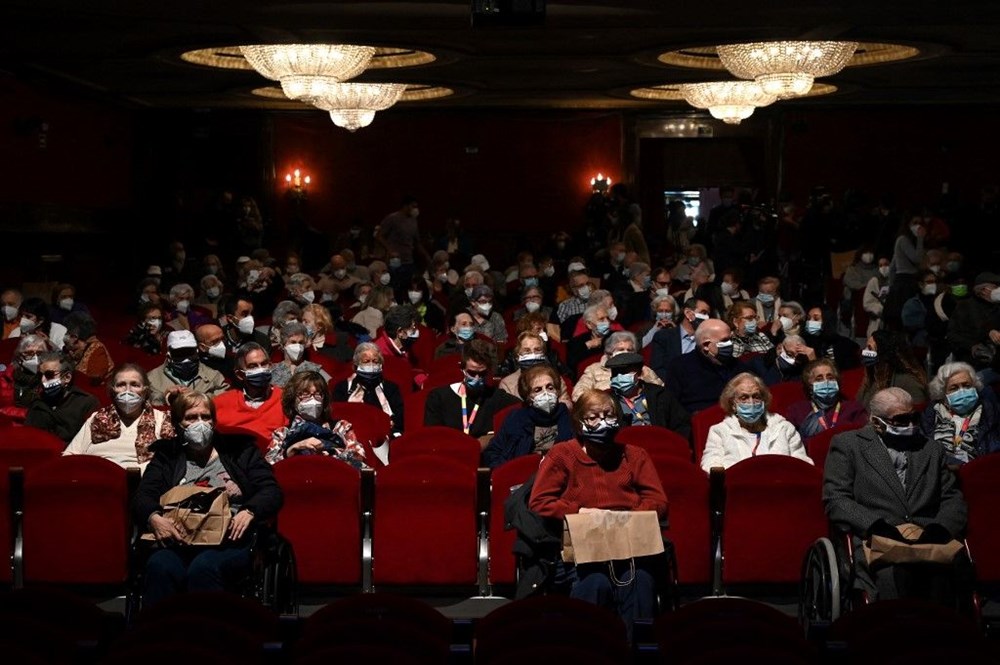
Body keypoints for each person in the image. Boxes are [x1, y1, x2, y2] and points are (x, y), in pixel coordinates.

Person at [528, 389, 667, 637]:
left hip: (630, 547)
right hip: (583, 550)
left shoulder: (634, 455)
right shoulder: (562, 454)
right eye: (593, 417)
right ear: (580, 422)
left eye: (609, 416)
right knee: (595, 584)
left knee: (640, 583)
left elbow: (657, 500)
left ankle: (635, 652)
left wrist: (628, 516)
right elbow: (540, 501)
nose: (602, 423)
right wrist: (580, 511)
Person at [135, 390, 283, 608]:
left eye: (206, 417)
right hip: (179, 540)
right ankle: (159, 634)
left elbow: (271, 491)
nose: (200, 423)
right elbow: (142, 496)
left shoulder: (240, 450)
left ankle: (209, 634)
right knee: (160, 567)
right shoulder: (167, 456)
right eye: (191, 418)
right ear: (178, 423)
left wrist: (249, 511)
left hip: (229, 541)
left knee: (203, 568)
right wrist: (154, 518)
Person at [823, 387, 969, 606]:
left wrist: (942, 527)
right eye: (901, 420)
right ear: (876, 422)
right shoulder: (848, 445)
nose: (911, 425)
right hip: (878, 538)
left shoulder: (931, 449)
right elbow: (836, 499)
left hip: (928, 537)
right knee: (896, 578)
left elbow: (952, 498)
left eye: (914, 417)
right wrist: (875, 525)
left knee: (945, 578)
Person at [64, 363, 175, 471]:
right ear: (113, 390)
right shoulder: (97, 418)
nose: (128, 391)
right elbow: (70, 456)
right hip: (96, 479)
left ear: (145, 391)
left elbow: (171, 462)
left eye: (135, 385)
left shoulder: (161, 420)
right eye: (121, 385)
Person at [700, 372, 811, 472]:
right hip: (739, 490)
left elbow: (803, 463)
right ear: (733, 404)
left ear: (764, 400)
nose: (751, 402)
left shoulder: (784, 428)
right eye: (744, 397)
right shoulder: (720, 431)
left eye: (756, 396)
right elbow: (710, 464)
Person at [265, 370, 367, 468]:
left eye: (318, 394)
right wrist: (293, 449)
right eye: (304, 394)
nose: (312, 399)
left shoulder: (341, 427)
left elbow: (358, 455)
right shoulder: (282, 433)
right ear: (292, 399)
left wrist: (330, 452)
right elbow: (269, 464)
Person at [424, 339, 519, 443]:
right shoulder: (439, 397)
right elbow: (432, 436)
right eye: (472, 373)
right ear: (462, 369)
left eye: (482, 374)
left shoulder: (498, 398)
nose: (477, 379)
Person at [482, 365, 575, 469]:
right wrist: (506, 472)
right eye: (537, 390)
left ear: (557, 392)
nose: (545, 393)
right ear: (528, 397)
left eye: (550, 388)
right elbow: (492, 452)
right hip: (522, 475)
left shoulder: (571, 419)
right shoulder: (516, 419)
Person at [663, 319, 755, 414]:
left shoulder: (739, 366)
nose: (730, 344)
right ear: (706, 345)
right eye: (725, 340)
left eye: (731, 339)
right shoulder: (680, 366)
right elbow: (673, 407)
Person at [922, 361, 1000, 467]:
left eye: (967, 386)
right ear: (942, 394)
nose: (962, 391)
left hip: (977, 472)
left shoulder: (990, 413)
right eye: (954, 388)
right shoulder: (930, 416)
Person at [214, 342, 286, 443]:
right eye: (253, 366)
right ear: (240, 374)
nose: (261, 369)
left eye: (264, 364)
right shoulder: (221, 402)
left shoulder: (285, 399)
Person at [606, 352, 690, 438]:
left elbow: (681, 425)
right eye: (615, 374)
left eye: (624, 373)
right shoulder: (606, 400)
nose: (619, 377)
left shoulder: (660, 395)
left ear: (639, 374)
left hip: (658, 445)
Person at [332, 342, 405, 437]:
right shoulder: (343, 387)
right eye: (366, 361)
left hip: (386, 435)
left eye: (375, 361)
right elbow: (337, 416)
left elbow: (398, 419)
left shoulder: (391, 388)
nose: (371, 366)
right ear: (356, 365)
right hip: (353, 435)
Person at [24, 352, 100, 442]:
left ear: (67, 377)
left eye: (49, 375)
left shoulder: (86, 403)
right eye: (40, 375)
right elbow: (29, 437)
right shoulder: (38, 402)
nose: (43, 380)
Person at [786, 359, 869, 440]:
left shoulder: (853, 408)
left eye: (830, 377)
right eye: (819, 379)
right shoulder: (796, 410)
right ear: (809, 385)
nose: (826, 381)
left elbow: (863, 438)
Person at [148, 330, 230, 407]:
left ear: (197, 352)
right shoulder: (152, 378)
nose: (186, 359)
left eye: (189, 353)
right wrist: (165, 397)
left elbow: (226, 402)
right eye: (179, 354)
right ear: (169, 356)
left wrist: (198, 397)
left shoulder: (213, 376)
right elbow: (147, 404)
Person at [573, 331, 662, 400]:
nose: (625, 353)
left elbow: (660, 391)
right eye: (621, 349)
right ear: (610, 351)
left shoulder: (643, 369)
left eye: (630, 350)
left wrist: (644, 379)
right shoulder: (594, 369)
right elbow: (578, 393)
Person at [946, 271, 1000, 382]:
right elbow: (952, 334)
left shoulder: (998, 307)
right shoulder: (965, 307)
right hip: (972, 359)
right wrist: (972, 346)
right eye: (996, 286)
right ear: (984, 290)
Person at [497, 331, 573, 408]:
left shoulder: (556, 378)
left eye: (537, 350)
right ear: (517, 356)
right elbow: (506, 413)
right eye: (527, 351)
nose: (532, 354)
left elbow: (567, 406)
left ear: (543, 354)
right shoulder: (507, 384)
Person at [856, 330, 929, 408]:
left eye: (870, 348)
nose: (864, 352)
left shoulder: (909, 383)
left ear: (884, 354)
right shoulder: (872, 377)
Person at [650, 298, 710, 382]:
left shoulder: (707, 340)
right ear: (688, 313)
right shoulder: (664, 336)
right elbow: (657, 368)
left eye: (708, 314)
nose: (707, 317)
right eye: (703, 313)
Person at [0, 334, 52, 422]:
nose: (35, 358)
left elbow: (42, 414)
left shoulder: (48, 382)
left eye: (39, 354)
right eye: (29, 353)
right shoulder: (5, 378)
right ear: (19, 356)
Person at [270, 321, 328, 388]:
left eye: (301, 342)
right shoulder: (273, 371)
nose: (297, 345)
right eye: (293, 342)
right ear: (283, 344)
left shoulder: (315, 370)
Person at [62, 311, 113, 382]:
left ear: (75, 337)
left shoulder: (97, 351)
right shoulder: (73, 351)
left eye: (67, 333)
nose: (64, 337)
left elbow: (91, 383)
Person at [566, 304, 612, 380]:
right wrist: (586, 345)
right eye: (601, 319)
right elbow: (572, 367)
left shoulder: (616, 337)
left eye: (607, 318)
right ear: (589, 324)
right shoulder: (576, 342)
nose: (607, 322)